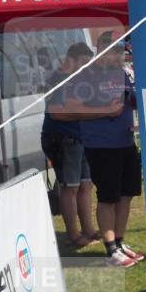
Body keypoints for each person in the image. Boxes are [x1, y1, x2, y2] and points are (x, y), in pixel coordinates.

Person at [68, 32, 145, 267]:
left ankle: (119, 242)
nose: (117, 54)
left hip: (125, 141)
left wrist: (137, 99)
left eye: (119, 50)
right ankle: (111, 249)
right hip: (101, 145)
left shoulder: (120, 73)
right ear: (99, 49)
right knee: (108, 197)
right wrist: (104, 112)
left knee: (126, 194)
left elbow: (129, 100)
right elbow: (72, 109)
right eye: (111, 49)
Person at [41, 42, 100, 248]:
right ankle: (74, 235)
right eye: (83, 63)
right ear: (71, 60)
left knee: (85, 185)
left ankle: (89, 229)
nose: (87, 68)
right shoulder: (57, 80)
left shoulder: (77, 78)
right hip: (62, 138)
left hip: (79, 138)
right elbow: (57, 112)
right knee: (70, 188)